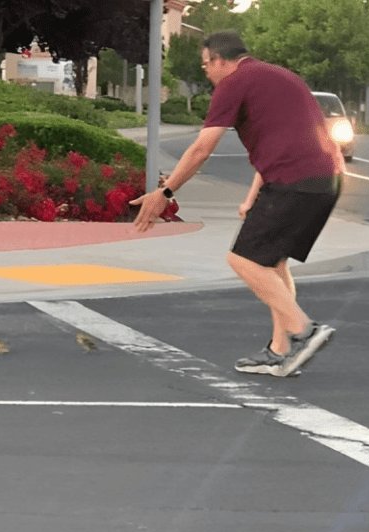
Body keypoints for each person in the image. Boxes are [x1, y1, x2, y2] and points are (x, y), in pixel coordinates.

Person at [130, 31, 345, 377]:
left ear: (219, 60)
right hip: (325, 180)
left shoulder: (234, 82)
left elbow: (202, 147)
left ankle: (305, 331)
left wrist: (165, 192)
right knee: (272, 263)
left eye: (205, 65)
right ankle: (281, 351)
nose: (206, 72)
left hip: (295, 182)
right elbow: (289, 140)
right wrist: (251, 198)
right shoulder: (283, 76)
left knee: (243, 259)